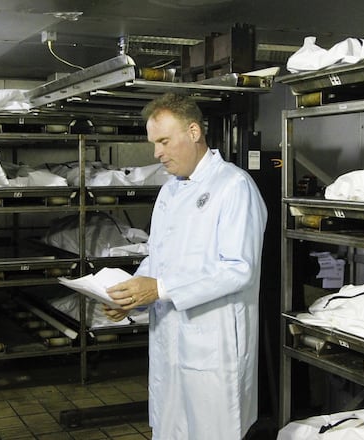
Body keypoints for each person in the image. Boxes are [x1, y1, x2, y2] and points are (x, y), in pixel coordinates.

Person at [105, 93, 267, 440]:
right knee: (170, 428)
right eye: (154, 143)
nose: (156, 153)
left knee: (212, 430)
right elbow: (157, 257)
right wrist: (133, 296)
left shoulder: (234, 186)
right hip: (170, 338)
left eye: (164, 141)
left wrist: (159, 290)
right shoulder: (170, 191)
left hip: (213, 344)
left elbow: (238, 269)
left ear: (194, 132)